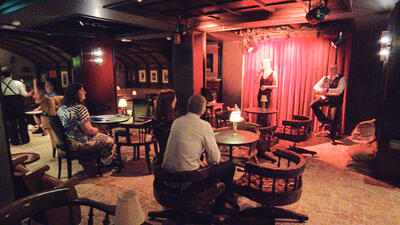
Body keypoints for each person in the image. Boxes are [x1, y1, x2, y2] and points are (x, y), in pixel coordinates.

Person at [162, 94, 237, 213]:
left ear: (188, 107)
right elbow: (215, 159)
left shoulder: (177, 122)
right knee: (230, 166)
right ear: (203, 109)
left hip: (166, 179)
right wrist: (206, 161)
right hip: (188, 182)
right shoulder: (204, 126)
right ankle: (219, 207)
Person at [57, 83, 119, 175]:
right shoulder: (80, 109)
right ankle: (104, 163)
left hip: (67, 141)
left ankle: (90, 162)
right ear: (76, 93)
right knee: (110, 140)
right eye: (82, 90)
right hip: (79, 143)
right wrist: (97, 129)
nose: (85, 92)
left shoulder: (61, 108)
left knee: (102, 135)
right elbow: (89, 131)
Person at [311, 64, 347, 145]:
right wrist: (322, 90)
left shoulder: (342, 79)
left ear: (336, 70)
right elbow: (315, 87)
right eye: (330, 69)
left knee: (334, 119)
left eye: (333, 69)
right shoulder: (325, 78)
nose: (332, 71)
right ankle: (324, 120)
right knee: (313, 104)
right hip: (327, 98)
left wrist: (327, 90)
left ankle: (332, 137)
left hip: (336, 101)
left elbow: (339, 91)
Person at [1, 67, 33, 145]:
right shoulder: (17, 83)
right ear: (11, 74)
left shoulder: (1, 83)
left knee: (12, 122)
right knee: (22, 121)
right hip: (17, 103)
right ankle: (25, 140)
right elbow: (25, 95)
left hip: (6, 104)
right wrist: (30, 91)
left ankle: (15, 141)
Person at [152, 89, 177, 163]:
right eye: (174, 98)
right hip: (170, 158)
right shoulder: (169, 123)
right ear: (169, 103)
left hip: (161, 156)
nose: (176, 99)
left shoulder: (157, 120)